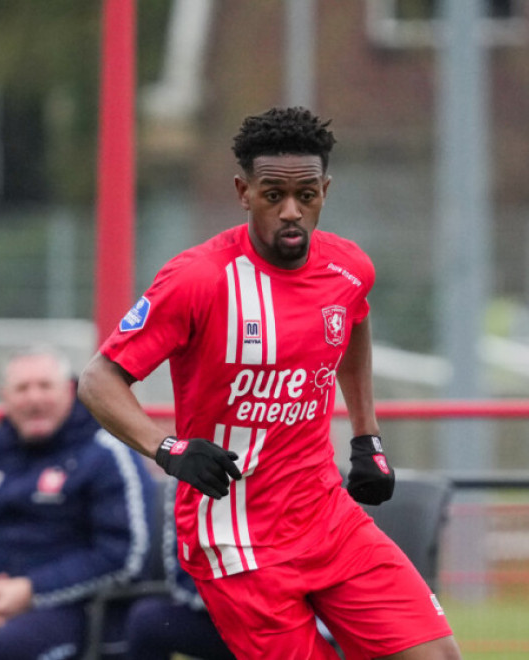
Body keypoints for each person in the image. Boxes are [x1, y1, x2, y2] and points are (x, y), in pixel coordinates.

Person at [78, 107, 460, 660]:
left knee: (438, 656)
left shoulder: (348, 269)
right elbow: (98, 379)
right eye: (272, 194)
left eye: (306, 196)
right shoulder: (197, 280)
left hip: (326, 515)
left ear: (325, 190)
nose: (290, 212)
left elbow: (352, 320)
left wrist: (365, 436)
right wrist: (168, 449)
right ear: (243, 191)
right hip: (235, 538)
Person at [0, 349, 156, 660]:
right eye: (22, 388)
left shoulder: (106, 453)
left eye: (45, 386)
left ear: (69, 391)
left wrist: (31, 591)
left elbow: (125, 555)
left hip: (85, 609)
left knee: (14, 644)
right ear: (4, 396)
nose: (34, 399)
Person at [124, 480, 234, 660]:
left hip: (278, 607)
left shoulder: (282, 468)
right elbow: (184, 566)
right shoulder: (192, 468)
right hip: (223, 613)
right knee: (147, 620)